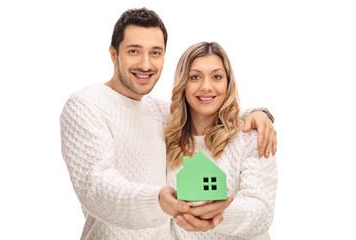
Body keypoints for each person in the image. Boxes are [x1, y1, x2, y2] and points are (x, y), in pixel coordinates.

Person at [60, 8, 277, 240]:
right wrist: (157, 200)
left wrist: (260, 114)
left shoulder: (160, 112)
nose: (145, 64)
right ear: (114, 54)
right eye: (134, 51)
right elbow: (96, 187)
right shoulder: (86, 105)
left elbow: (206, 113)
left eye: (155, 52)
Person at [164, 41, 277, 239]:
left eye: (216, 76)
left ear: (228, 83)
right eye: (195, 77)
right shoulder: (168, 140)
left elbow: (261, 212)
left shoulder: (250, 137)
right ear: (183, 83)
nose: (206, 87)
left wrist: (220, 212)